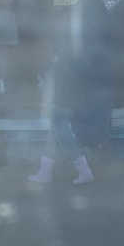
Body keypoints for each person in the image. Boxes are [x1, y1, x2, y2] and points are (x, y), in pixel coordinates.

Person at [27, 48, 95, 185]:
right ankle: (45, 173)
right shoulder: (61, 67)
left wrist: (44, 91)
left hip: (58, 108)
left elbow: (51, 89)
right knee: (53, 138)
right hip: (62, 107)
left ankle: (84, 172)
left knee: (66, 139)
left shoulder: (55, 68)